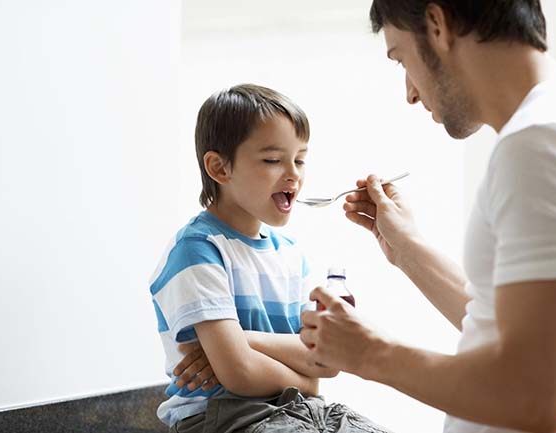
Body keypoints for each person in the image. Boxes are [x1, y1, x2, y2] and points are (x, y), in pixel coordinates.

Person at [299, 1, 556, 433]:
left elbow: (536, 395)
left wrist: (366, 352)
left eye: (401, 58)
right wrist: (407, 249)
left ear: (437, 24)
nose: (410, 93)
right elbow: (511, 327)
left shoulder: (541, 145)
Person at [149, 84, 391, 433]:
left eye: (300, 159)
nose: (293, 174)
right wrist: (303, 382)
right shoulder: (198, 250)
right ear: (219, 168)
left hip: (299, 410)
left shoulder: (290, 253)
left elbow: (325, 362)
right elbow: (241, 374)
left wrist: (241, 339)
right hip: (223, 417)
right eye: (273, 160)